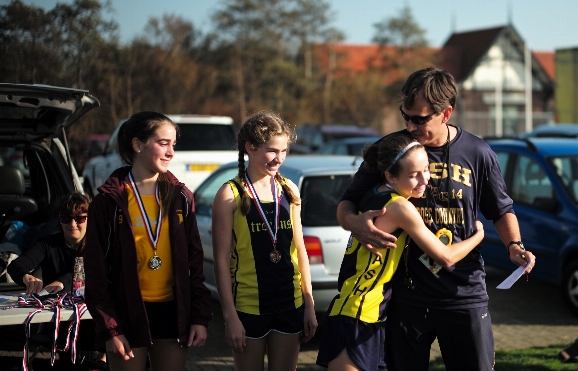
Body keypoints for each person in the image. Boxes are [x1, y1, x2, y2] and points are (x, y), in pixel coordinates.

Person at [337, 66, 536, 371]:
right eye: (405, 116)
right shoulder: (392, 151)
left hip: (463, 293)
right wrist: (355, 223)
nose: (410, 125)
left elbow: (501, 210)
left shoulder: (478, 152)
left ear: (446, 113)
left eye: (420, 119)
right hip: (405, 296)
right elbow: (346, 204)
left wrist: (514, 245)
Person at [317, 134, 486, 371]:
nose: (424, 179)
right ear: (390, 176)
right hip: (357, 312)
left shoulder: (375, 193)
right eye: (413, 175)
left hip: (368, 312)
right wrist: (478, 235)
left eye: (426, 170)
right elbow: (445, 257)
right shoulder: (400, 207)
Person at [84, 111, 212, 371]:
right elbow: (96, 272)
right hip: (127, 312)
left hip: (172, 314)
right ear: (137, 144)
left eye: (173, 145)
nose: (170, 152)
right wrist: (111, 328)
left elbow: (194, 263)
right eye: (163, 143)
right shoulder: (109, 201)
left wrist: (198, 316)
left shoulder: (180, 197)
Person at [212, 110, 318, 371]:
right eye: (272, 150)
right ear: (250, 148)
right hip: (248, 306)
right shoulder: (230, 193)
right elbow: (221, 261)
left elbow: (300, 250)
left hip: (289, 302)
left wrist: (309, 304)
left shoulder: (289, 189)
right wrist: (230, 316)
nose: (279, 158)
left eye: (283, 151)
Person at [8, 192, 90, 296]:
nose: (73, 224)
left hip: (89, 308)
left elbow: (92, 270)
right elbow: (14, 266)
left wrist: (62, 282)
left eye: (80, 218)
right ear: (60, 220)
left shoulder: (99, 245)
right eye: (66, 219)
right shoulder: (47, 245)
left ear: (89, 220)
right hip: (50, 309)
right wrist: (26, 277)